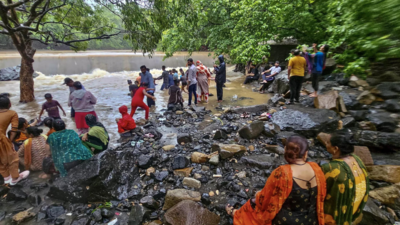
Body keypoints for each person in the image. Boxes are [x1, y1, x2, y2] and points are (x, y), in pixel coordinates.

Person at [228, 135, 326, 225]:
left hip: (285, 221)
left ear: (285, 151)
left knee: (252, 204)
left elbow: (265, 200)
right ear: (305, 154)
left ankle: (235, 213)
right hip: (312, 219)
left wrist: (257, 195)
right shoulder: (316, 169)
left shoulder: (282, 173)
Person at [322, 130, 369, 225]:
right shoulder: (357, 159)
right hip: (354, 211)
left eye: (327, 142)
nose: (325, 144)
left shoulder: (331, 168)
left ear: (335, 149)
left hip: (337, 217)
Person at [0, 96, 30, 185]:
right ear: (10, 104)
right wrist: (10, 141)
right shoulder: (12, 113)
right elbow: (14, 129)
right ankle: (15, 178)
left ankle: (6, 177)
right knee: (12, 157)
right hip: (1, 137)